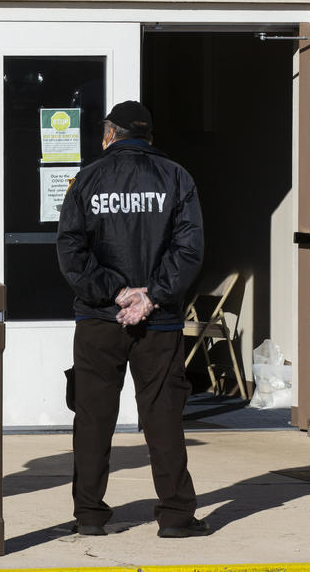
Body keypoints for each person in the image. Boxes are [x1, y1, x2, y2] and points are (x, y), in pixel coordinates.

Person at [56, 100, 210, 538]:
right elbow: (188, 251)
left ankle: (88, 514)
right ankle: (177, 517)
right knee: (163, 416)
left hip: (99, 320)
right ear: (148, 136)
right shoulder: (177, 177)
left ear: (110, 133)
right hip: (158, 324)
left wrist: (116, 292)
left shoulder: (87, 179)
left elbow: (71, 251)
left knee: (92, 418)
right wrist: (151, 297)